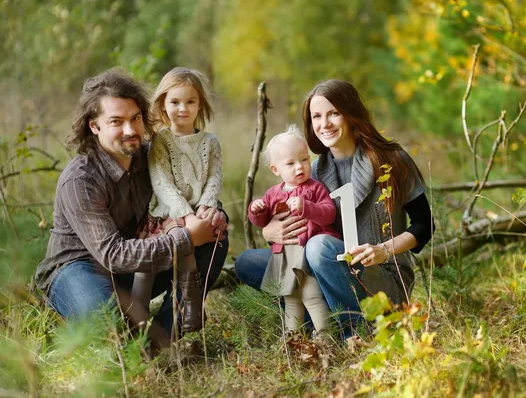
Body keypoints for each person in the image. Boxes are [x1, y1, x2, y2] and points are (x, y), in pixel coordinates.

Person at [34, 68, 226, 347]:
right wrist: (185, 238)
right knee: (109, 326)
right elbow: (112, 254)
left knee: (215, 234)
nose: (130, 130)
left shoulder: (151, 156)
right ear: (94, 126)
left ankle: (163, 338)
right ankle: (93, 324)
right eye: (116, 121)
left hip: (134, 267)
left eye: (135, 118)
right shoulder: (80, 180)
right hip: (79, 268)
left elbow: (191, 192)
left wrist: (213, 214)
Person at [235, 79, 435, 339]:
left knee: (319, 247)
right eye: (316, 116)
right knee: (247, 262)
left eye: (333, 113)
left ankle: (357, 330)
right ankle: (323, 320)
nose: (324, 124)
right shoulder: (313, 170)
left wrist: (383, 251)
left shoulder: (391, 160)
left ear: (351, 114)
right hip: (322, 271)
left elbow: (425, 223)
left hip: (381, 276)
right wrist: (269, 232)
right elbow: (283, 215)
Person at [131, 67, 228, 333]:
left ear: (200, 105)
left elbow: (214, 179)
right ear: (163, 104)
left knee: (197, 246)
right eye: (174, 102)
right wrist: (185, 215)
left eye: (190, 102)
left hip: (199, 211)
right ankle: (134, 323)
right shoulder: (161, 140)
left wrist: (206, 207)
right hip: (166, 214)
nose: (182, 108)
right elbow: (161, 182)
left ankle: (190, 306)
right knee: (154, 263)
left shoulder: (211, 142)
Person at [248, 125, 339, 335]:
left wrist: (307, 207)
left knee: (311, 294)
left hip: (307, 253)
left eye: (304, 159)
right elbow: (262, 222)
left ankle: (325, 335)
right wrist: (256, 209)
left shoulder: (315, 188)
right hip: (286, 257)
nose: (300, 167)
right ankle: (292, 338)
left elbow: (328, 214)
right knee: (290, 298)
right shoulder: (273, 194)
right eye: (291, 163)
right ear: (275, 169)